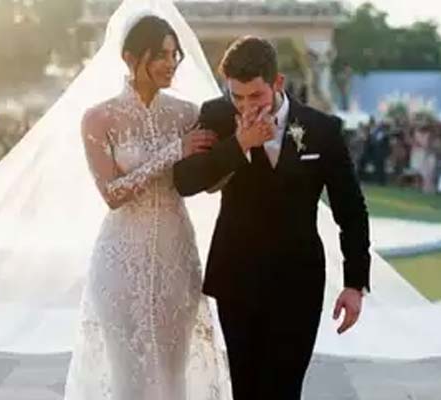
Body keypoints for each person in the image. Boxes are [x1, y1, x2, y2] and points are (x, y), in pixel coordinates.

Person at [173, 36, 371, 400]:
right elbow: (185, 182)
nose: (246, 106)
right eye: (237, 96)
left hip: (298, 282)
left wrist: (354, 283)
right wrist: (239, 144)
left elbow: (351, 209)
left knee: (284, 390)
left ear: (277, 82)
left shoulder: (322, 129)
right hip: (236, 278)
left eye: (256, 96)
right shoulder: (217, 115)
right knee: (246, 390)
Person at [63, 15, 229, 400]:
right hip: (120, 259)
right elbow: (112, 194)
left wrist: (237, 153)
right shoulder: (99, 118)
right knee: (128, 379)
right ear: (130, 58)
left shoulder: (188, 114)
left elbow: (207, 182)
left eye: (175, 55)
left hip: (176, 254)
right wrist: (174, 151)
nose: (171, 63)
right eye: (161, 55)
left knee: (173, 376)